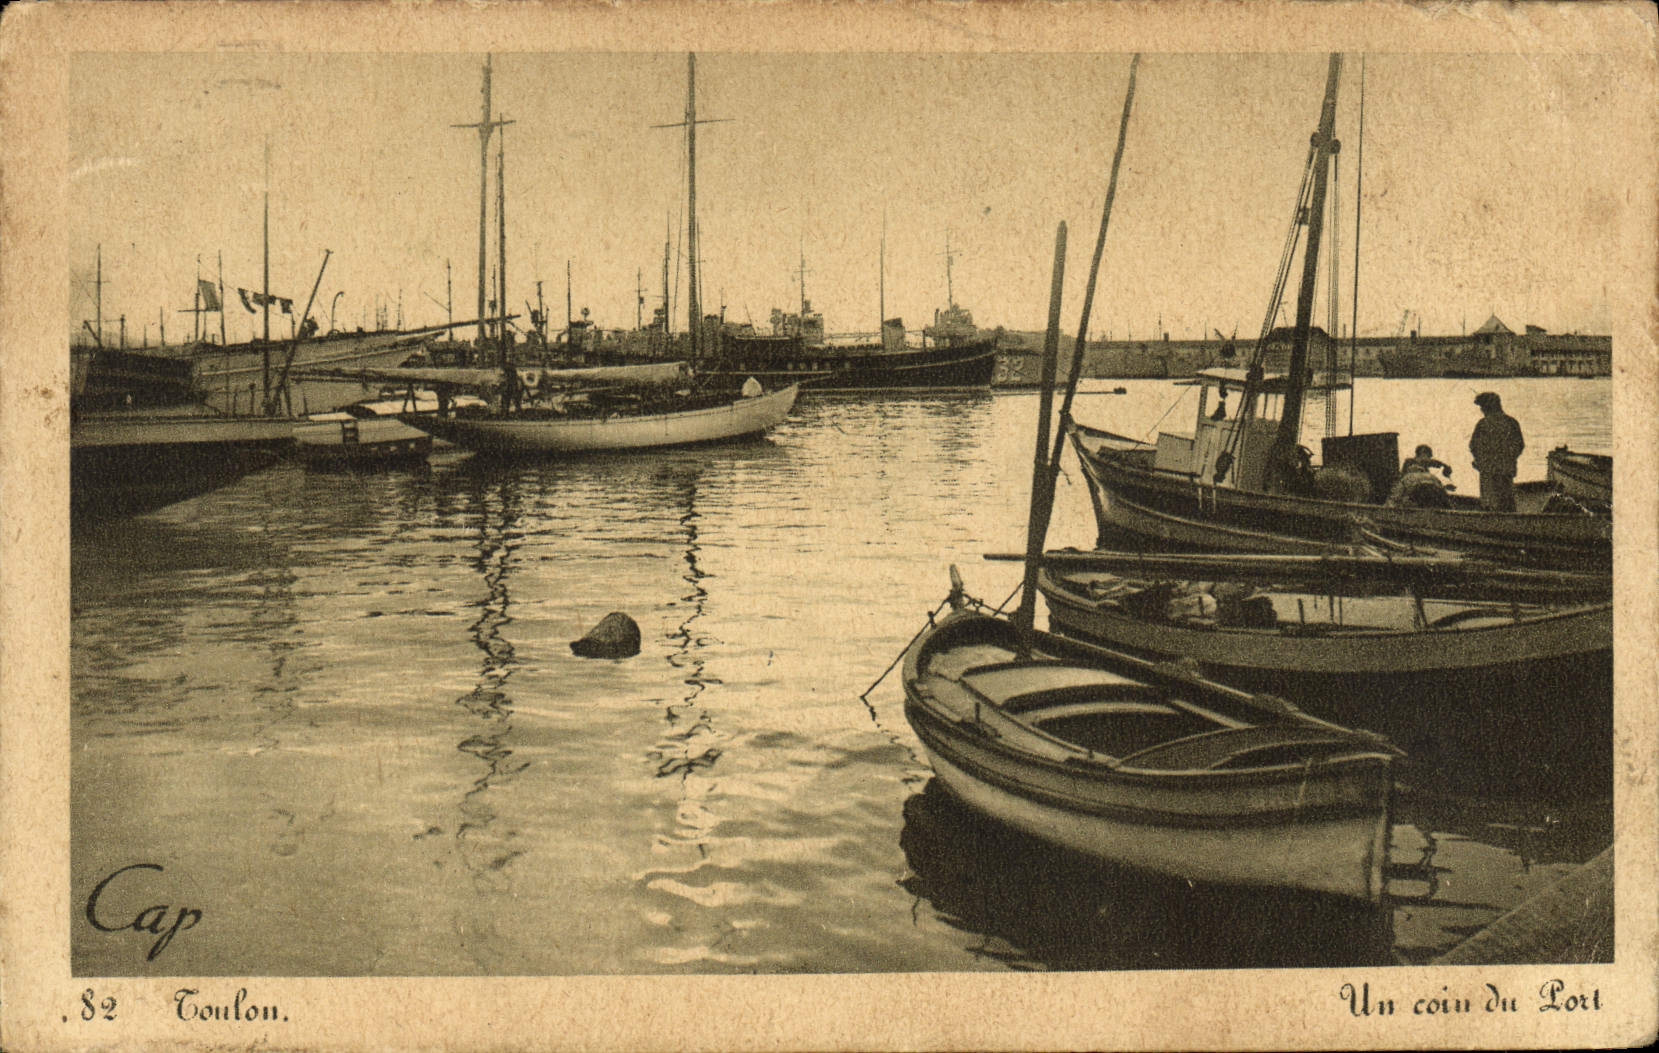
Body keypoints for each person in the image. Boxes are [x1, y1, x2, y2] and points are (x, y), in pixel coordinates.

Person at [1469, 392, 1525, 512]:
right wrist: (1510, 459)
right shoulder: (1512, 422)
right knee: (1508, 501)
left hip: (1488, 470)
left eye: (1482, 407)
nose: (1482, 410)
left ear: (1487, 407)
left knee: (1489, 504)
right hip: (1507, 469)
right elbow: (1520, 445)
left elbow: (1473, 446)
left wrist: (1480, 461)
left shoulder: (1483, 424)